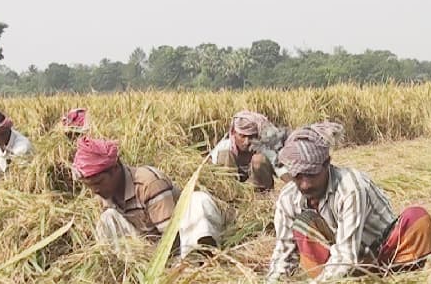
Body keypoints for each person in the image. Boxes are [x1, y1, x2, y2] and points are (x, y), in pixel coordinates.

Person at [266, 122, 431, 284]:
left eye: (311, 175)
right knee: (303, 224)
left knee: (417, 218)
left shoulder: (350, 187)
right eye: (297, 177)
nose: (305, 185)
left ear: (327, 164)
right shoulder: (288, 198)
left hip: (384, 251)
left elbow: (346, 254)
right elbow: (284, 254)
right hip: (339, 261)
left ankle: (401, 274)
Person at [72, 137, 225, 258]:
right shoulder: (105, 192)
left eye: (99, 182)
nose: (95, 190)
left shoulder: (149, 183)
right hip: (149, 248)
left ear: (116, 169)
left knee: (199, 199)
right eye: (90, 186)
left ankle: (199, 260)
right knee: (108, 218)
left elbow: (171, 237)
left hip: (179, 241)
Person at [209, 110, 285, 191]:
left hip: (257, 193)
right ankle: (229, 191)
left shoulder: (263, 147)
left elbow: (282, 169)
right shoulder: (224, 147)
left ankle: (262, 192)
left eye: (251, 137)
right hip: (233, 191)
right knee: (225, 155)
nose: (247, 142)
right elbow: (209, 167)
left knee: (259, 159)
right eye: (242, 136)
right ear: (234, 133)